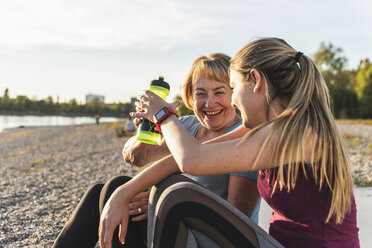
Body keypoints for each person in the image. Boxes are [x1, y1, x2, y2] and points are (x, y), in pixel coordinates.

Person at [99, 38, 360, 248]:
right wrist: (124, 192)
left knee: (179, 196)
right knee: (143, 188)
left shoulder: (300, 133)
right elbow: (184, 160)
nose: (233, 101)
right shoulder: (263, 128)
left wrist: (164, 114)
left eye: (233, 88)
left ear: (255, 81)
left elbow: (192, 160)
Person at [53, 53, 261, 248]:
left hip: (210, 237)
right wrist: (146, 127)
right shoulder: (186, 126)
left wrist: (160, 201)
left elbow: (238, 215)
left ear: (234, 94)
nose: (209, 103)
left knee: (117, 192)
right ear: (190, 96)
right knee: (101, 192)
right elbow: (135, 157)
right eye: (200, 93)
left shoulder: (245, 137)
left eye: (219, 92)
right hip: (175, 221)